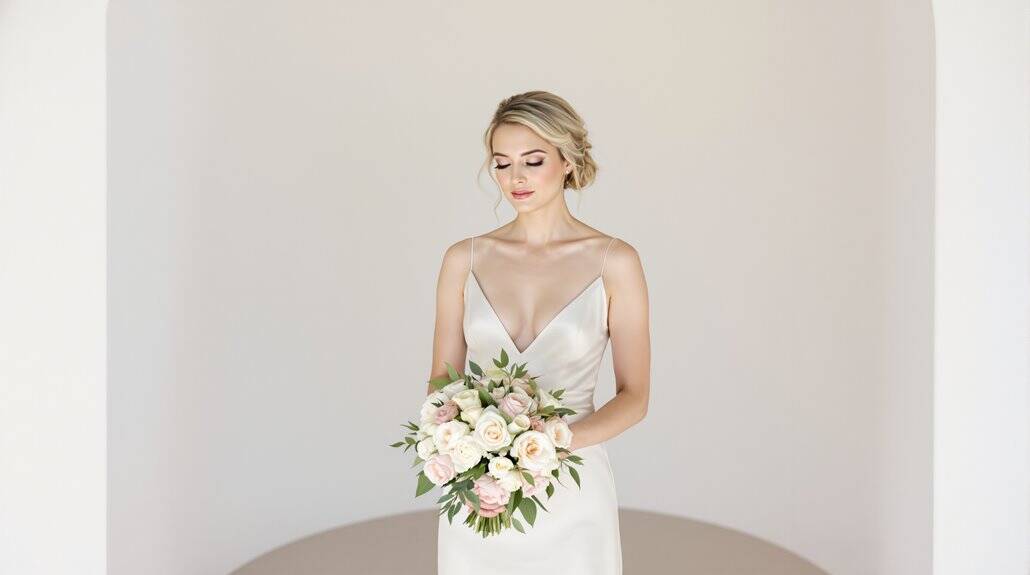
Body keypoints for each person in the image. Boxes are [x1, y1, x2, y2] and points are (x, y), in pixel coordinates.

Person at [429, 91, 651, 574]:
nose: (516, 179)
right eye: (502, 164)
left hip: (572, 490)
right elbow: (441, 382)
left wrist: (547, 445)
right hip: (482, 491)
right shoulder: (462, 260)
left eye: (533, 161)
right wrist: (468, 452)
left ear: (568, 160)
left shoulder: (615, 262)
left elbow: (635, 397)